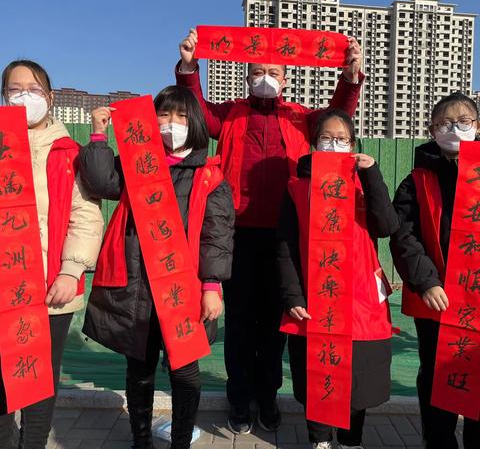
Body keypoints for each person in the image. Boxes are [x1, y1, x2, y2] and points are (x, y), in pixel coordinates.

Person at [176, 28, 364, 434]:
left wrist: (350, 77)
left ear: (286, 78)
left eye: (273, 71)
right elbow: (196, 111)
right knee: (240, 324)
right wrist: (190, 68)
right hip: (236, 234)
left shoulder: (299, 116)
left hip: (286, 236)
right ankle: (239, 400)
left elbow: (338, 117)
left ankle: (268, 396)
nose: (266, 76)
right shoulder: (230, 114)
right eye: (257, 70)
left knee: (276, 324)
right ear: (246, 77)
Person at [79, 85, 235, 449]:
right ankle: (141, 438)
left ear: (195, 123)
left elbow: (217, 237)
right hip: (138, 288)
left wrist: (212, 285)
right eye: (163, 115)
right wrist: (99, 135)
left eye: (181, 116)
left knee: (186, 373)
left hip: (184, 289)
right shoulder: (136, 165)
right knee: (139, 369)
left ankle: (180, 441)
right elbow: (101, 182)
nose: (171, 123)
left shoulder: (208, 177)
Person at [277, 109, 398, 449]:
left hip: (360, 300)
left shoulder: (364, 183)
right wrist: (294, 297)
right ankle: (319, 440)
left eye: (342, 139)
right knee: (320, 374)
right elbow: (285, 248)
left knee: (357, 381)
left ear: (353, 145)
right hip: (315, 300)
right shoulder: (297, 188)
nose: (334, 144)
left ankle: (350, 441)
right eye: (326, 139)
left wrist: (371, 174)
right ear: (314, 144)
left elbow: (387, 226)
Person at [0, 60, 104, 448]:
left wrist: (71, 270)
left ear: (50, 96)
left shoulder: (68, 152)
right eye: (15, 89)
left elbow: (86, 216)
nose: (24, 95)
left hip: (50, 286)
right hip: (4, 286)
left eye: (33, 88)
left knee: (39, 377)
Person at [390, 92, 480, 449]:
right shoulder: (417, 179)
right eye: (444, 123)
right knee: (436, 375)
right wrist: (425, 281)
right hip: (436, 298)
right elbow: (403, 234)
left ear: (477, 126)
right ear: (431, 129)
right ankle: (439, 442)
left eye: (463, 121)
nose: (454, 129)